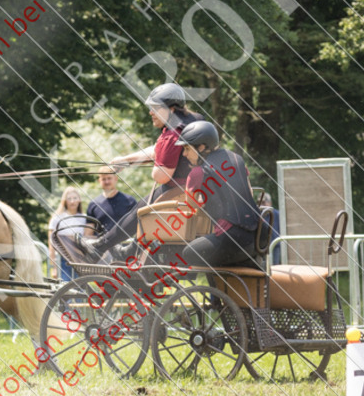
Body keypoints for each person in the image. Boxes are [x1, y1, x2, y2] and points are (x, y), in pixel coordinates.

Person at [78, 83, 203, 259]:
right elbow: (158, 150)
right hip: (198, 185)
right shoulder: (192, 120)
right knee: (141, 209)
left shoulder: (173, 133)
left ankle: (101, 247)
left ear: (171, 109)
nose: (151, 112)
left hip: (181, 189)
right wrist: (126, 160)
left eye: (155, 107)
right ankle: (126, 249)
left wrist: (156, 165)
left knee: (141, 211)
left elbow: (161, 176)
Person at [175, 121, 261, 270]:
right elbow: (250, 192)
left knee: (188, 253)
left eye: (187, 148)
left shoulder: (198, 172)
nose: (184, 154)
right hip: (258, 236)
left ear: (201, 147)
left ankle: (220, 284)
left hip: (231, 241)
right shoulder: (237, 159)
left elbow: (193, 207)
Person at [47, 187, 93, 281]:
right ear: (64, 201)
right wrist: (54, 268)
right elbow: (51, 244)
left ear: (79, 200)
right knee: (65, 289)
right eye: (69, 198)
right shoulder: (57, 218)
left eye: (75, 198)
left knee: (80, 292)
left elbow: (86, 241)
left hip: (79, 261)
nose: (72, 201)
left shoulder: (84, 218)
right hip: (62, 260)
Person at [260, 192, 281, 265]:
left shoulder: (277, 214)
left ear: (270, 203)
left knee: (275, 267)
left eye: (263, 202)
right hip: (263, 247)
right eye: (260, 203)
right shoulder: (259, 215)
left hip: (275, 246)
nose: (262, 205)